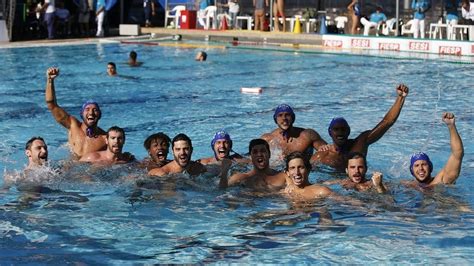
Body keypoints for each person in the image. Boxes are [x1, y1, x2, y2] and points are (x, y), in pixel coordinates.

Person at [311, 84, 409, 171]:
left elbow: (387, 122)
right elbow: (304, 169)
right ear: (330, 133)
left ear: (348, 131)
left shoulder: (360, 143)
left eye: (343, 129)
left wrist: (400, 98)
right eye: (336, 129)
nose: (340, 132)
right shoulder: (321, 156)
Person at [45, 67, 107, 158]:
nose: (91, 112)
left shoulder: (105, 138)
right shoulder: (72, 125)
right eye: (87, 109)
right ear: (81, 114)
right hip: (70, 168)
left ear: (100, 115)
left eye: (95, 110)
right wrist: (50, 80)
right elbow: (52, 105)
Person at [405, 112, 464, 188]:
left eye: (424, 164)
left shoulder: (441, 180)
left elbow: (458, 153)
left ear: (430, 167)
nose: (420, 168)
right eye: (416, 165)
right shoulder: (407, 185)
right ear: (411, 170)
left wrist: (451, 126)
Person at [261, 104, 327, 161]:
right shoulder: (267, 139)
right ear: (275, 119)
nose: (284, 118)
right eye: (280, 115)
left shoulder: (308, 135)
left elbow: (330, 152)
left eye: (287, 115)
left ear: (293, 118)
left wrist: (313, 163)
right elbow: (252, 160)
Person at [219, 139, 286, 190]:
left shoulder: (283, 177)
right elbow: (222, 190)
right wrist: (224, 172)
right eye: (255, 152)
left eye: (263, 151)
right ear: (250, 157)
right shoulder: (241, 178)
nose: (259, 154)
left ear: (269, 154)